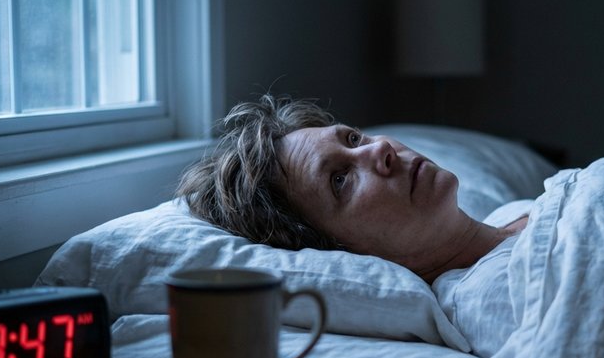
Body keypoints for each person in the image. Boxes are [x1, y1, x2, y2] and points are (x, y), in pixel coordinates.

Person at [177, 94, 527, 283]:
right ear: (340, 250)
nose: (379, 150)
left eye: (354, 138)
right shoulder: (504, 288)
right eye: (340, 180)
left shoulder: (511, 215)